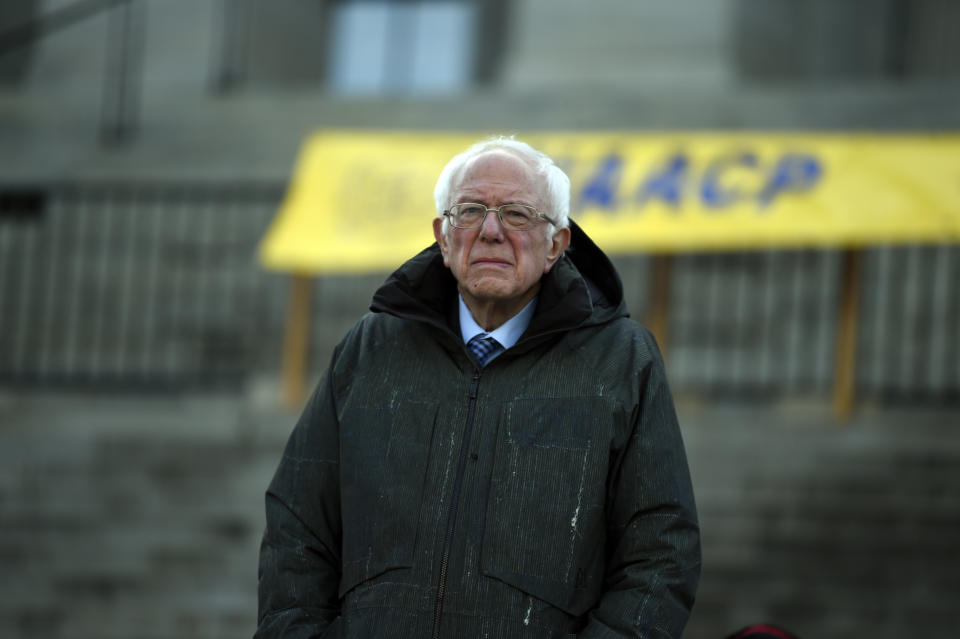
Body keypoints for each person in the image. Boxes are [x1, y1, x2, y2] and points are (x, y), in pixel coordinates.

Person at [256, 137, 701, 638]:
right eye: (469, 211)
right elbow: (298, 528)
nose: (490, 231)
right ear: (443, 238)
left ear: (557, 243)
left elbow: (661, 552)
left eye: (516, 214)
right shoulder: (370, 348)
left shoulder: (622, 361)